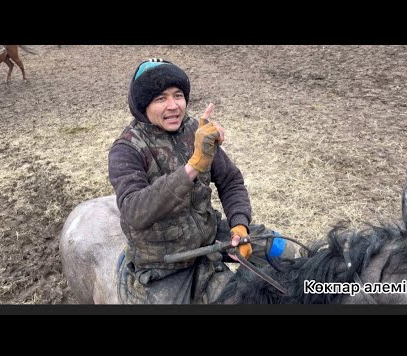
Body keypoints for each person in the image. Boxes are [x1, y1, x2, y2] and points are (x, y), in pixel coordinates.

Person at [108, 58, 295, 304]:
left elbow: (230, 181)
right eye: (160, 98)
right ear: (143, 106)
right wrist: (193, 166)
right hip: (163, 262)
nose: (173, 106)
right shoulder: (126, 149)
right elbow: (135, 211)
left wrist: (240, 225)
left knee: (284, 251)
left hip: (211, 236)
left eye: (178, 95)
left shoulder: (196, 130)